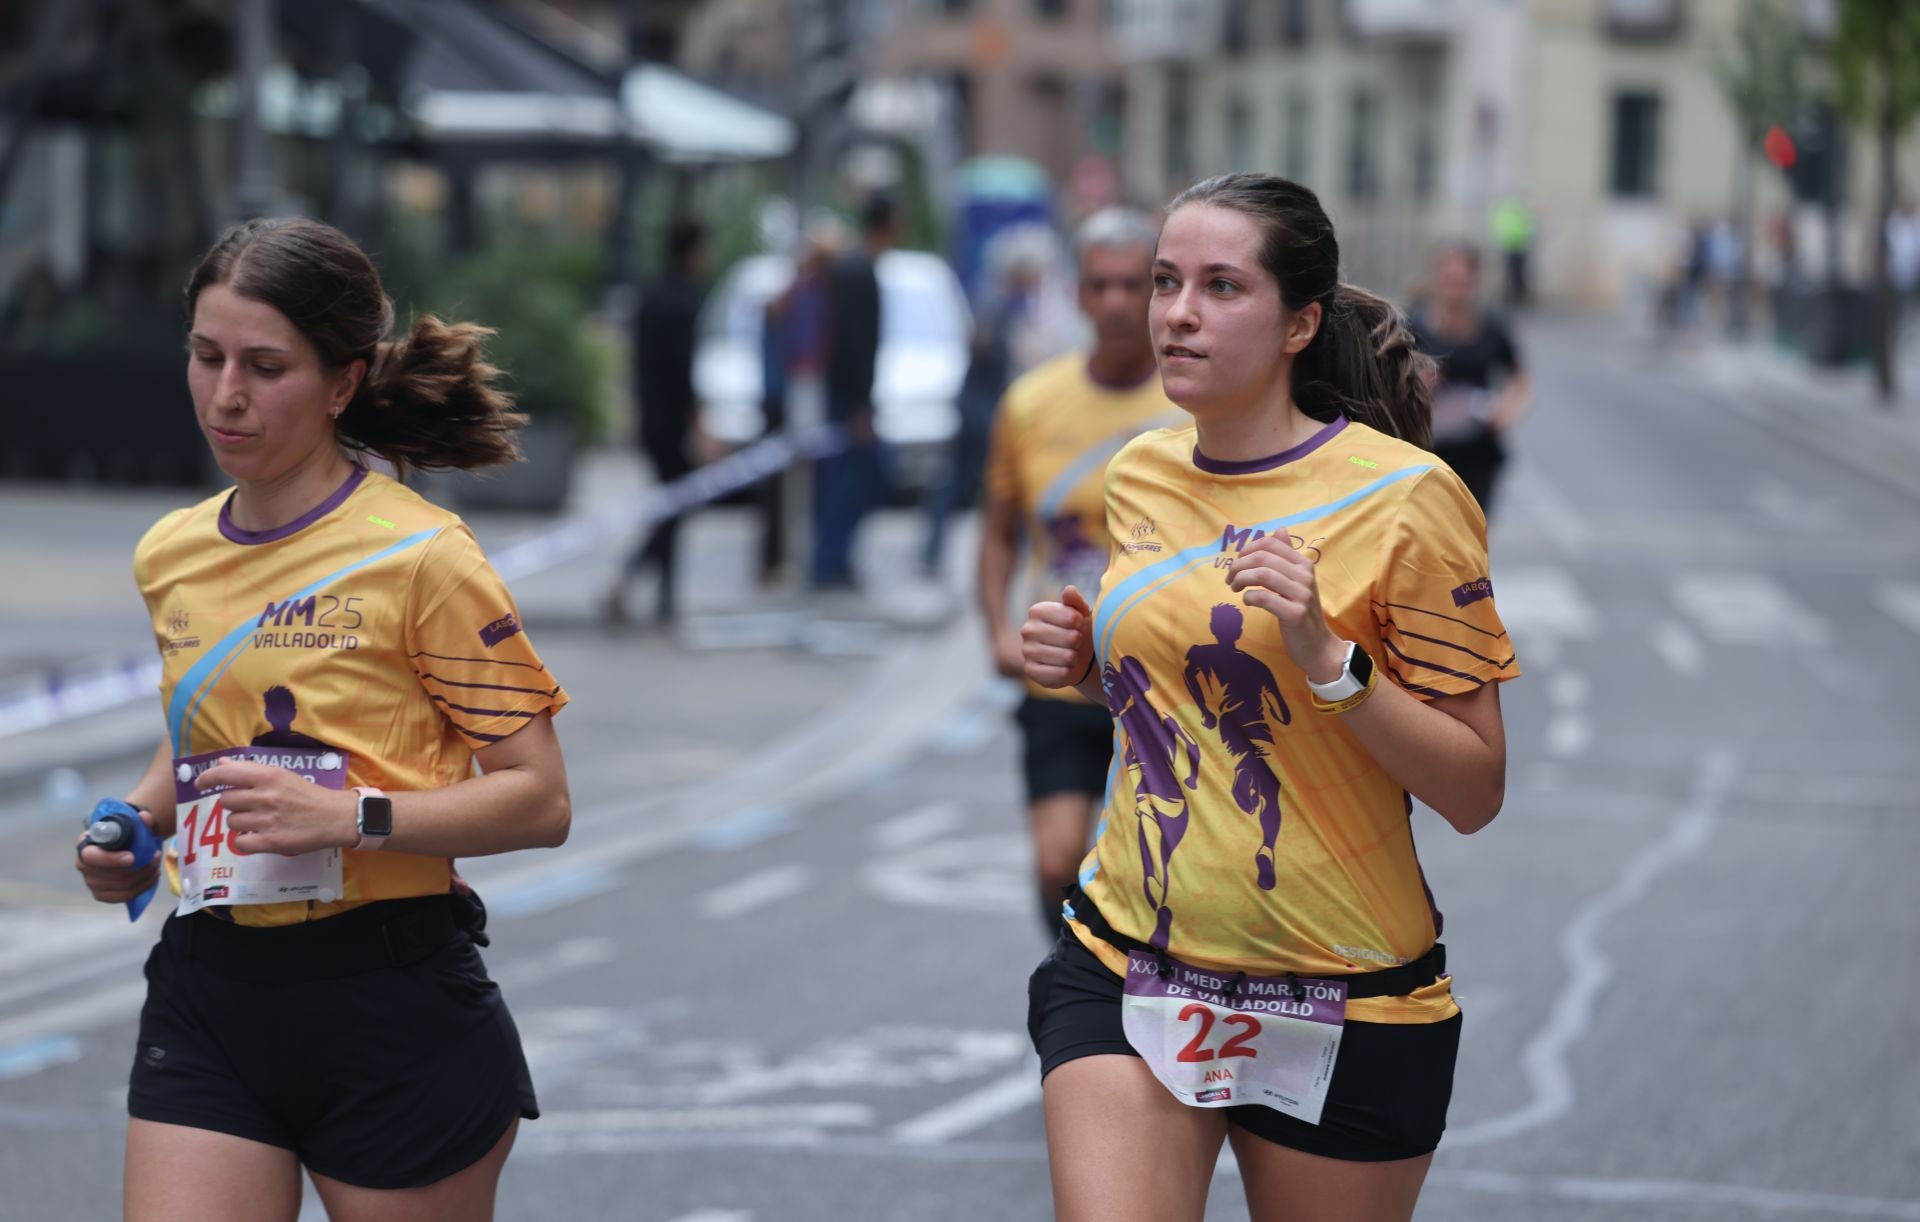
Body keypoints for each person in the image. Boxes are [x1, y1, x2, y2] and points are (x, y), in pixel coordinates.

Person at [1020, 173, 1518, 1222]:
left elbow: (1475, 789)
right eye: (1165, 282)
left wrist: (1331, 659)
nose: (1177, 313)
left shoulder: (1407, 501)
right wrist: (1089, 664)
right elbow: (1179, 709)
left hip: (1339, 994)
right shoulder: (1141, 474)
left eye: (1219, 286)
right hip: (1132, 965)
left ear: (1299, 322)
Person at [74, 217, 571, 1222]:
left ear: (342, 382)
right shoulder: (170, 552)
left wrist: (353, 819)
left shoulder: (423, 556)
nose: (226, 394)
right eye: (206, 357)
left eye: (266, 366)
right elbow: (206, 743)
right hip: (212, 983)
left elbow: (541, 798)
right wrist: (134, 824)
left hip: (389, 995)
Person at [977, 206, 1179, 937]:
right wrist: (997, 628)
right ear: (1081, 295)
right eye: (1104, 286)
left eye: (1138, 284)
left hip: (1165, 673)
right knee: (1057, 855)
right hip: (1062, 667)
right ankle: (1075, 972)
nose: (1121, 303)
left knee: (1167, 870)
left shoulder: (1193, 404)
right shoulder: (1030, 403)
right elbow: (999, 530)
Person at [607, 217, 708, 623]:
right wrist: (699, 422)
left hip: (648, 416)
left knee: (671, 503)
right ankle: (643, 582)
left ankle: (658, 591)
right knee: (674, 506)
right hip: (673, 420)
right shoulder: (684, 302)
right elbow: (684, 371)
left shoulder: (648, 297)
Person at [1406, 244, 1531, 517]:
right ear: (1437, 280)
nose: (1455, 289)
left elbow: (1519, 379)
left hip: (1478, 448)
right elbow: (1390, 379)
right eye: (1449, 281)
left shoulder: (1492, 328)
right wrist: (1417, 385)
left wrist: (1506, 411)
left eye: (1461, 282)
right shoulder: (1415, 326)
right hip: (1430, 447)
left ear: (1474, 282)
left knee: (1475, 532)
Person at [811, 194, 897, 590]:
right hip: (850, 400)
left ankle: (834, 559)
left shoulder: (853, 268)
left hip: (846, 397)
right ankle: (828, 561)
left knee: (849, 478)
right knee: (858, 478)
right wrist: (861, 406)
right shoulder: (858, 271)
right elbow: (855, 344)